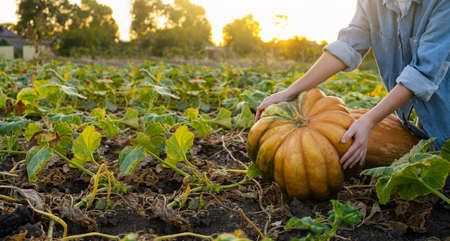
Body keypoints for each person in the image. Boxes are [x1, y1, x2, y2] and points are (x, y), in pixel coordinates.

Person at [255, 0, 450, 169]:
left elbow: (423, 72)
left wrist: (369, 120)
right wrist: (290, 92)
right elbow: (348, 46)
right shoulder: (371, 3)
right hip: (426, 123)